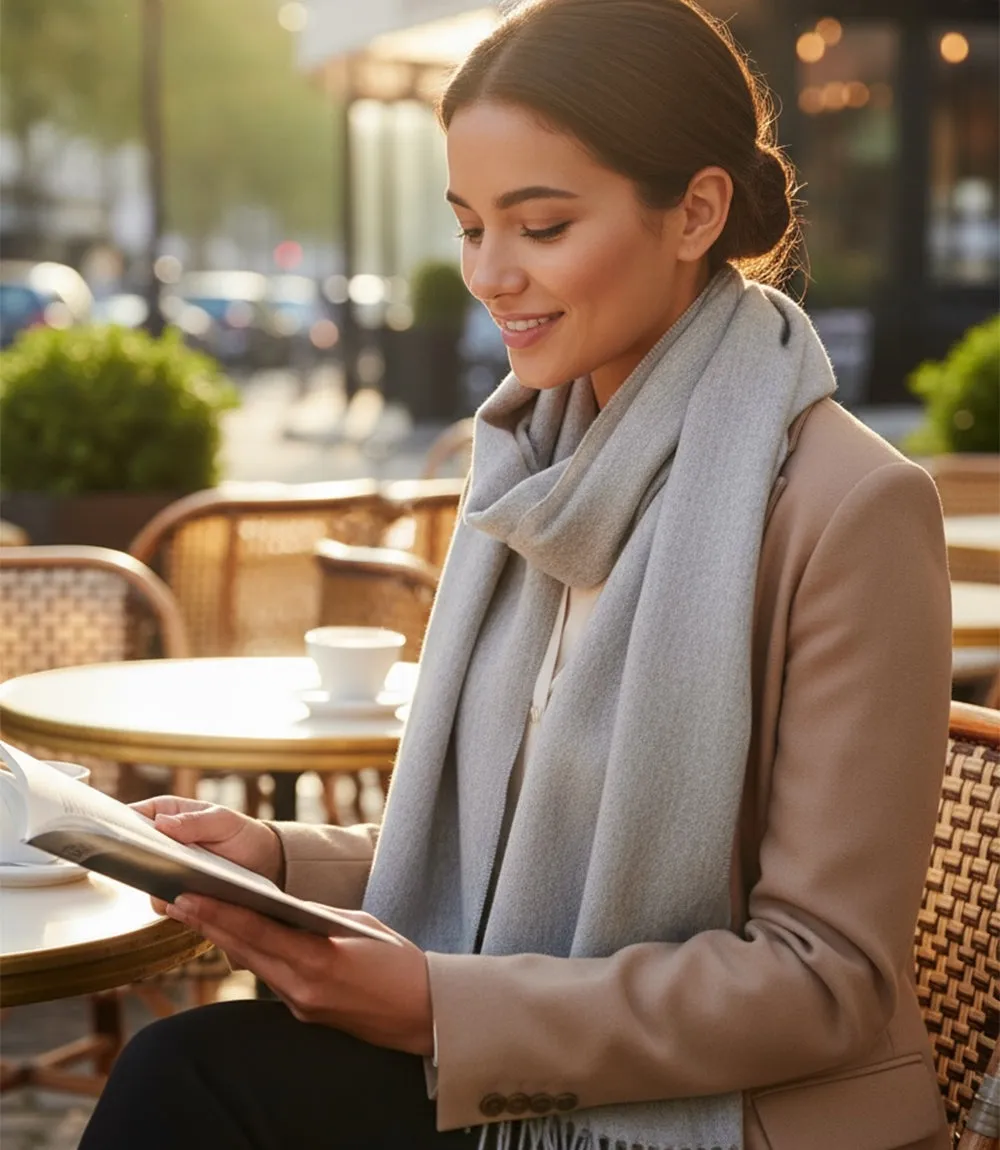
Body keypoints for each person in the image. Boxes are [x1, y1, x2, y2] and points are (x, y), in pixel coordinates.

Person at [80, 2, 953, 1148]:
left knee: (199, 1083)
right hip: (537, 1063)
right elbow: (515, 856)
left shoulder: (851, 508)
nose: (491, 274)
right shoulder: (533, 469)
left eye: (538, 226)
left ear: (694, 211)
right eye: (469, 226)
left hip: (743, 1116)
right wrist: (283, 860)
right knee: (189, 1072)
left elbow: (824, 980)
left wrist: (443, 1005)